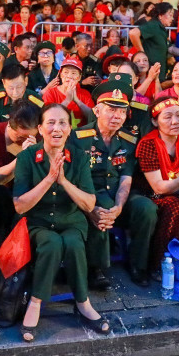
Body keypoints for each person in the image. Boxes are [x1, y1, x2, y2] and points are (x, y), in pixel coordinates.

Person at [13, 103, 108, 342]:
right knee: (51, 243)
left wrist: (64, 181)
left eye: (63, 123)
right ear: (40, 128)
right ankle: (35, 303)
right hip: (38, 223)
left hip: (71, 220)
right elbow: (20, 206)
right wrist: (49, 180)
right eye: (51, 123)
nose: (57, 128)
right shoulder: (26, 157)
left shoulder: (78, 157)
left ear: (69, 129)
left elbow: (88, 204)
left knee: (74, 243)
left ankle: (83, 302)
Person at [72, 79, 157, 288]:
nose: (116, 116)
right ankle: (96, 268)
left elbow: (126, 179)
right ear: (97, 111)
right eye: (110, 110)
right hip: (89, 194)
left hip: (119, 196)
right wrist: (100, 205)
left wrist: (119, 207)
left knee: (146, 208)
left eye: (121, 111)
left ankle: (138, 264)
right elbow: (76, 179)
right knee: (102, 206)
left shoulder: (128, 140)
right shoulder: (79, 137)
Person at [134, 96, 179, 272]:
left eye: (178, 115)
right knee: (175, 206)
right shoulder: (148, 145)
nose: (175, 121)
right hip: (153, 195)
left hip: (178, 190)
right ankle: (164, 263)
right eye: (167, 117)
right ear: (155, 121)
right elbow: (158, 187)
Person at [42, 57, 95, 126]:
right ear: (61, 74)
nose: (69, 76)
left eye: (73, 73)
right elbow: (49, 118)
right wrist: (67, 100)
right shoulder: (50, 93)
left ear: (79, 77)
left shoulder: (85, 94)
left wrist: (77, 100)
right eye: (66, 72)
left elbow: (92, 118)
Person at [129, 2, 173, 82]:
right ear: (160, 16)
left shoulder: (161, 28)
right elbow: (133, 33)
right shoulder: (154, 25)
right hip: (151, 74)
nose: (172, 18)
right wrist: (142, 53)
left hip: (159, 73)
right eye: (170, 15)